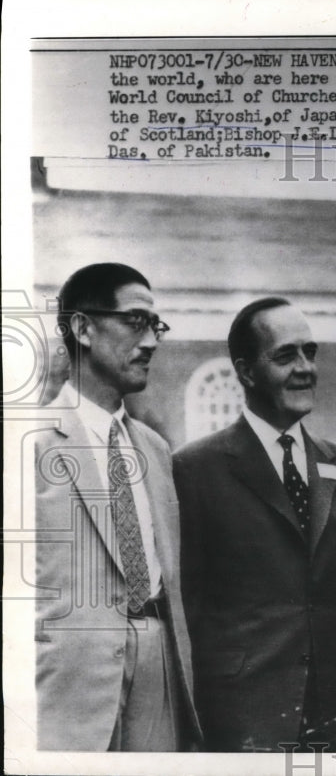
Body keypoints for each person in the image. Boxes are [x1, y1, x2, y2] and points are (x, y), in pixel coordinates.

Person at [173, 297, 336, 752]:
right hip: (241, 724)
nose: (305, 367)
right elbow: (188, 609)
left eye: (311, 352)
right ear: (247, 372)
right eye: (286, 356)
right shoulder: (196, 470)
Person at [34, 263, 200, 750]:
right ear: (83, 327)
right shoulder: (26, 441)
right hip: (67, 683)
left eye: (156, 326)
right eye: (135, 321)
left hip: (159, 665)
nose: (151, 341)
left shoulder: (154, 448)